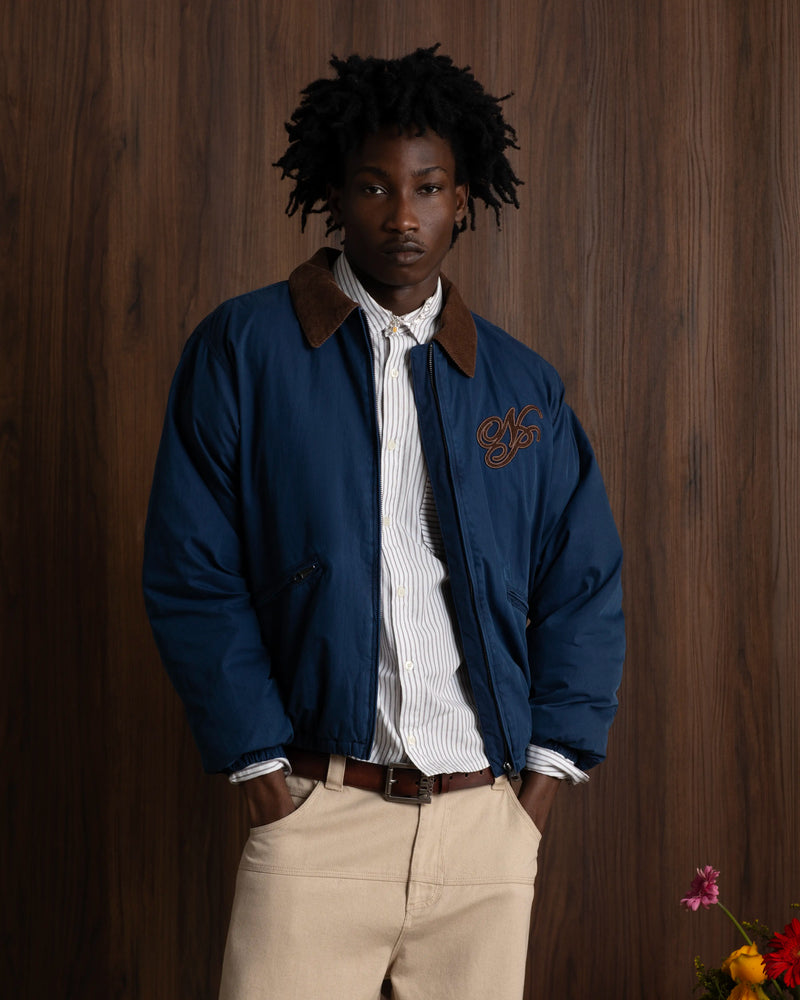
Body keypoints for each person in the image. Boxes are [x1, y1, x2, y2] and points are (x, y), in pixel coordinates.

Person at [143, 45, 625, 1000]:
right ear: (333, 193)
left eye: (429, 188)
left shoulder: (520, 386)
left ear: (464, 199)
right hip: (317, 815)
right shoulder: (244, 349)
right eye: (374, 186)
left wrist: (533, 796)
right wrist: (264, 775)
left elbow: (584, 584)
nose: (403, 216)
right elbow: (193, 568)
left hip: (483, 828)